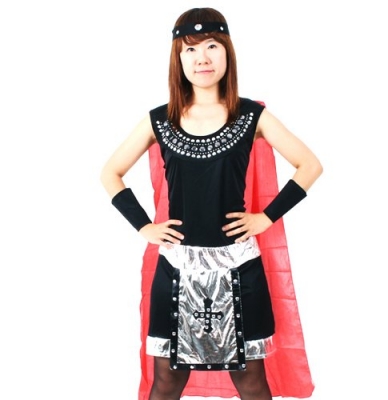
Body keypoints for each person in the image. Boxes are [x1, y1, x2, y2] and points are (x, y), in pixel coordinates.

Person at [100, 7, 323, 400]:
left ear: (227, 52)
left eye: (211, 46)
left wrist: (266, 217)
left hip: (239, 266)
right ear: (178, 57)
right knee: (167, 380)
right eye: (190, 49)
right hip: (176, 267)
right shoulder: (160, 120)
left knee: (251, 380)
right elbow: (110, 173)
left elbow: (310, 165)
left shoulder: (251, 116)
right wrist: (145, 226)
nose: (201, 58)